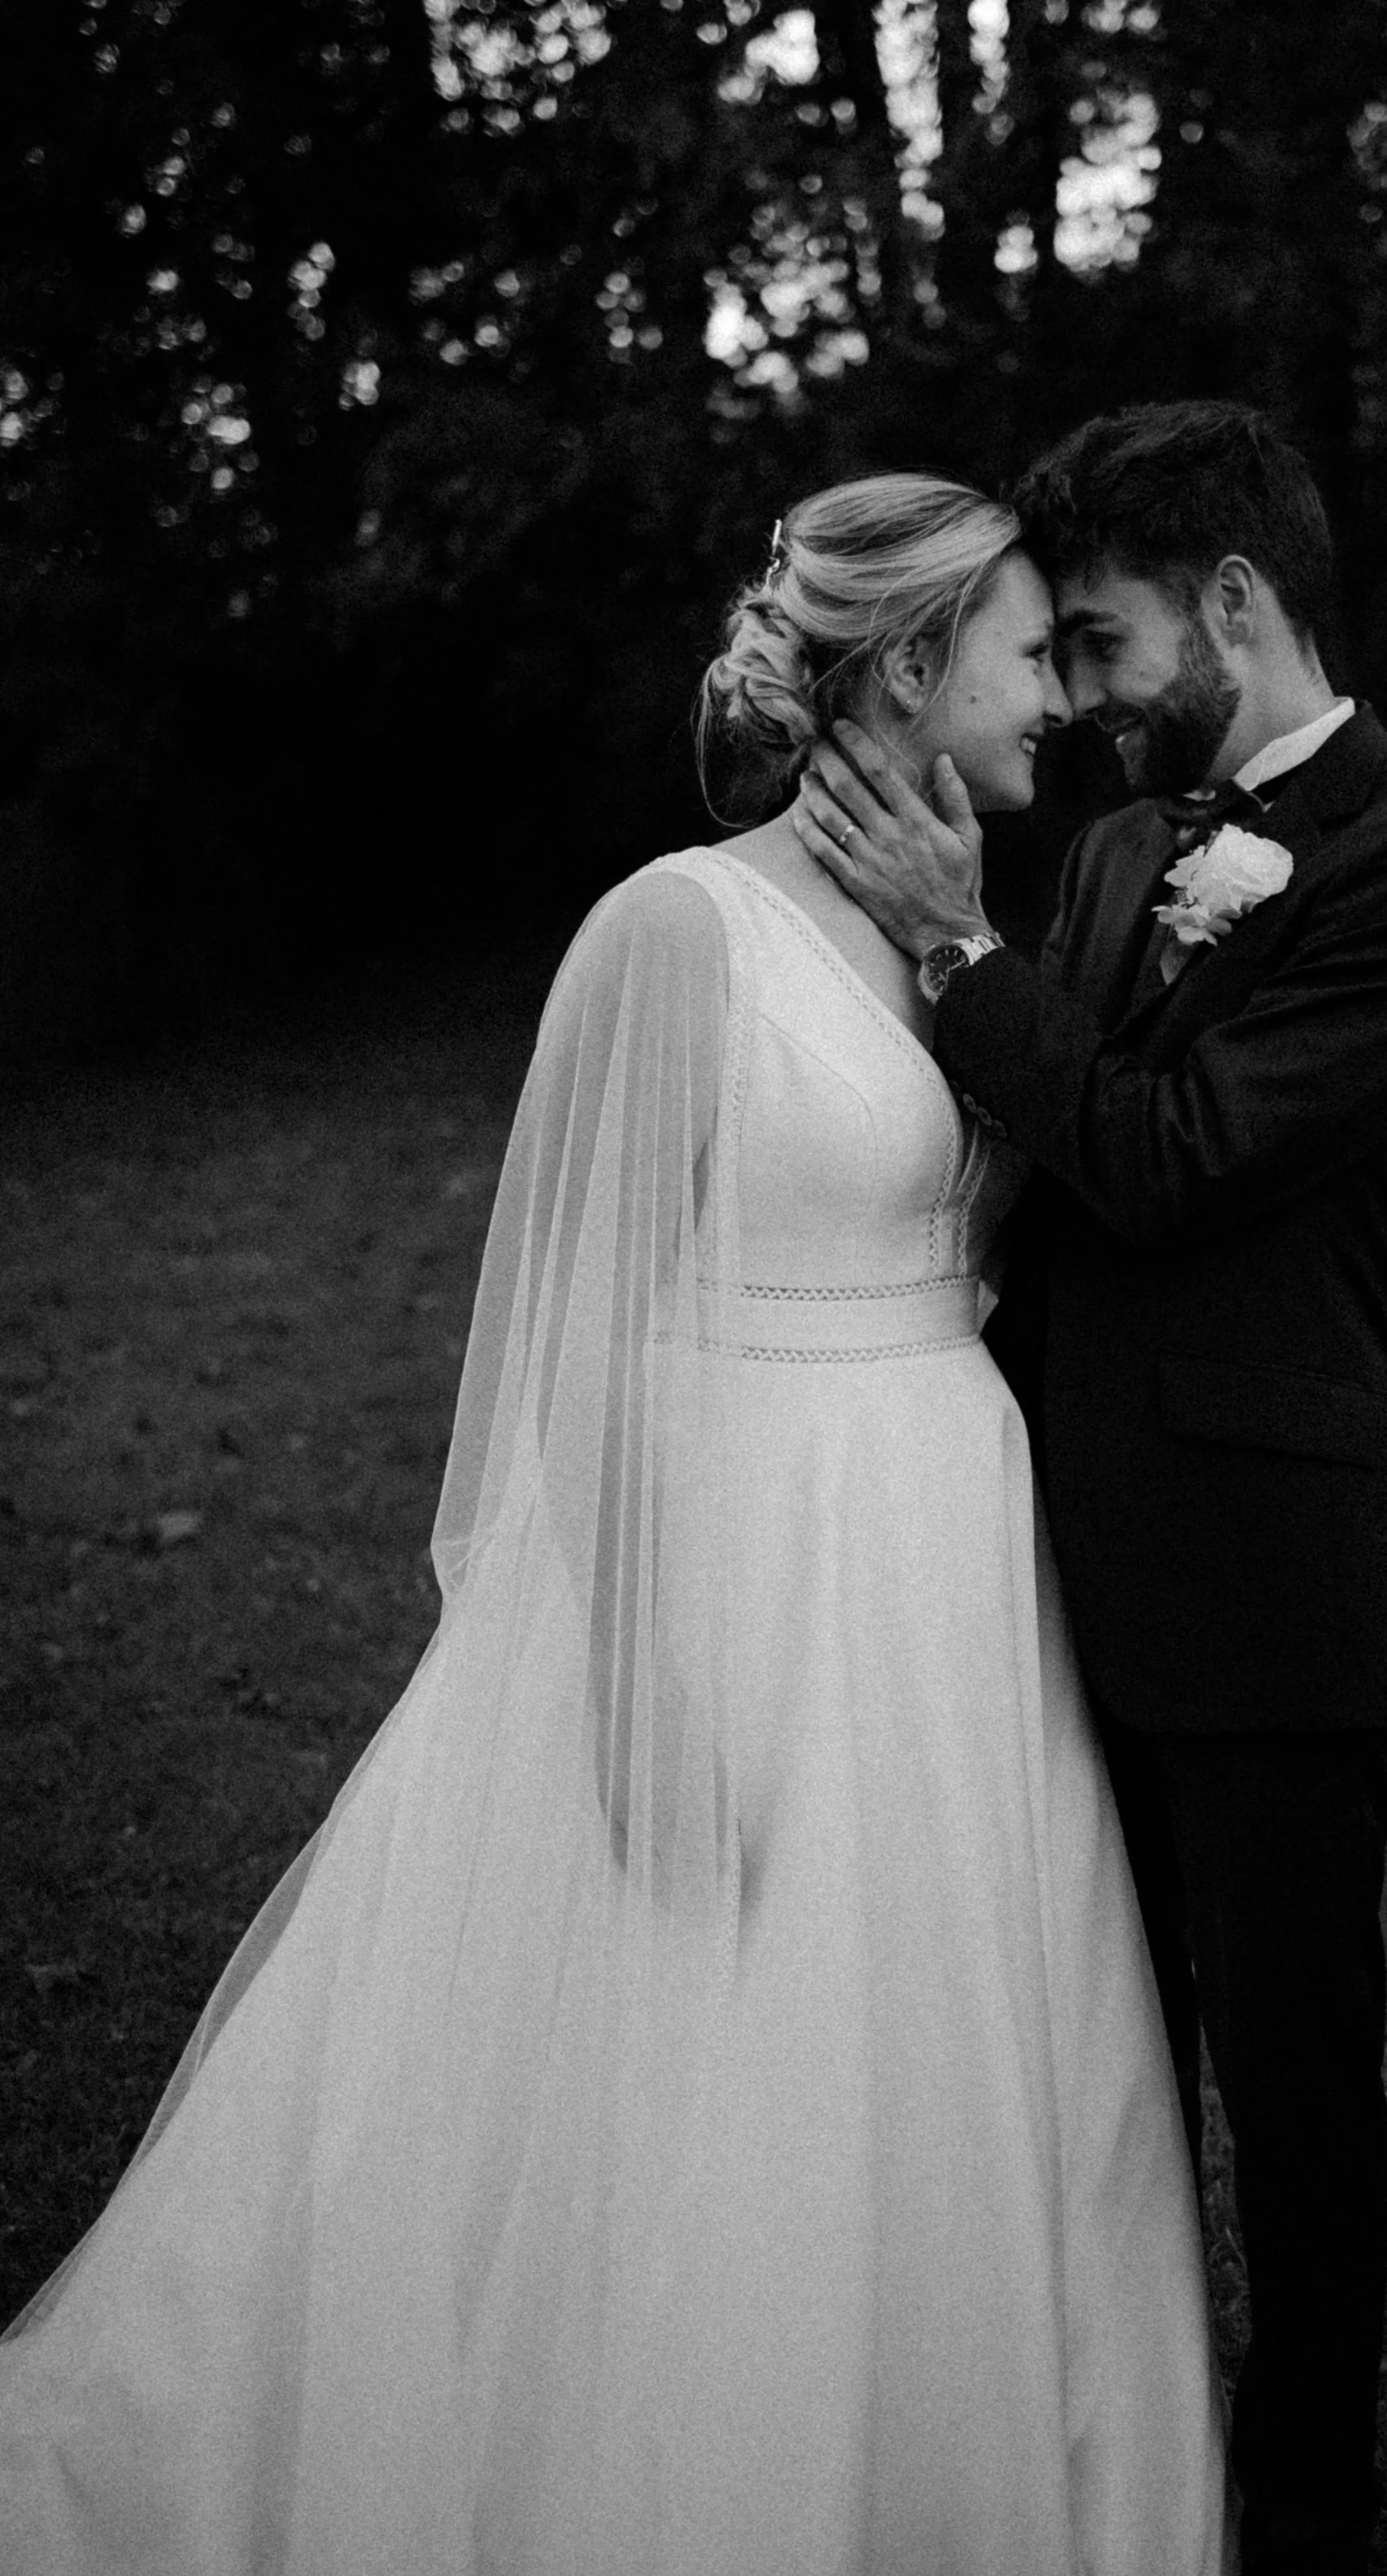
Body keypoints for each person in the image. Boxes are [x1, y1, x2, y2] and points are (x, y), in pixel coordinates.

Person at [0, 475, 1235, 2576]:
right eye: (1028, 654)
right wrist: (649, 1687)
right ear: (914, 664)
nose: (1062, 700)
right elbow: (589, 1359)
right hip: (753, 1564)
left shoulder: (960, 933)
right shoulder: (678, 929)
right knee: (706, 2084)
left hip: (946, 1572)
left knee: (947, 2067)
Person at [793, 401, 1387, 2574]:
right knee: (1079, 2057)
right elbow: (1041, 1157)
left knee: (1288, 2087)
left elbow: (1171, 1157)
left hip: (1268, 1577)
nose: (1076, 693)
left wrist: (954, 952)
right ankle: (1087, 2454)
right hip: (1038, 1548)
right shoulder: (1117, 849)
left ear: (1229, 606)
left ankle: (1303, 2504)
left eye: (1094, 641)